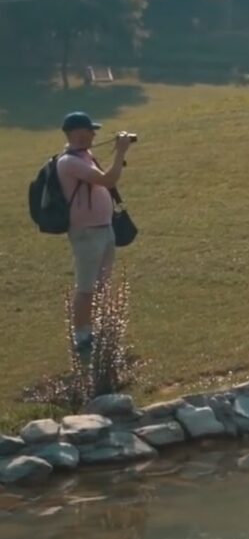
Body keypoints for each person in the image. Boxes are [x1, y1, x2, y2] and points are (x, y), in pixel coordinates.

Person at [54, 112, 134, 359]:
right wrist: (120, 151)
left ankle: (98, 331)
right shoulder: (69, 162)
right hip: (87, 233)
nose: (94, 134)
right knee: (86, 287)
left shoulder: (84, 156)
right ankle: (82, 338)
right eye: (90, 130)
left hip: (103, 229)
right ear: (78, 133)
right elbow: (107, 179)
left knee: (101, 284)